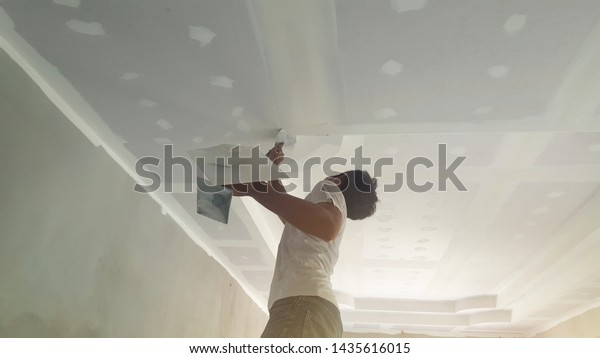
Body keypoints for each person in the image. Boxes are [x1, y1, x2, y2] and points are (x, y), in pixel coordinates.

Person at [228, 144, 378, 337]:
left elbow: (327, 226)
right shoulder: (322, 217)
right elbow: (291, 215)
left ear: (340, 179)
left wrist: (255, 188)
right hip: (313, 309)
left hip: (304, 305)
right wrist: (269, 175)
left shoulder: (330, 188)